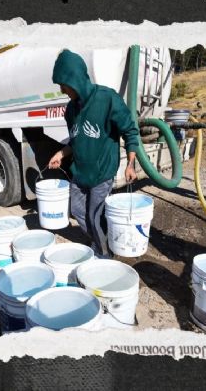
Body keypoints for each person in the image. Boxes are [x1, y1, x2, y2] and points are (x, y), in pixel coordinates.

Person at [48, 49, 139, 258]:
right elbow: (76, 140)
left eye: (63, 85)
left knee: (94, 215)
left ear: (75, 79)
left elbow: (130, 131)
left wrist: (131, 163)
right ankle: (100, 240)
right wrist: (61, 153)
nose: (62, 90)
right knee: (79, 212)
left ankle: (104, 254)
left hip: (102, 172)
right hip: (79, 174)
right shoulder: (70, 110)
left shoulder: (107, 99)